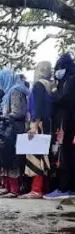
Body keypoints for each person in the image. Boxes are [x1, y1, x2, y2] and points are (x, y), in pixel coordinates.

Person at [0, 69, 29, 198]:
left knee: (11, 157)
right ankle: (7, 187)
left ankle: (14, 188)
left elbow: (18, 112)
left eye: (0, 82)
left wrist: (0, 117)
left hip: (14, 129)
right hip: (10, 127)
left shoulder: (15, 91)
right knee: (4, 155)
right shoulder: (9, 92)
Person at [46, 54, 75, 199]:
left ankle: (64, 188)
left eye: (60, 68)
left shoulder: (69, 81)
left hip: (67, 124)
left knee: (65, 156)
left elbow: (66, 99)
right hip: (68, 123)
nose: (58, 71)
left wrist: (53, 96)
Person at [24, 61, 53, 199]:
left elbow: (38, 106)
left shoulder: (38, 85)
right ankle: (45, 188)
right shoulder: (51, 85)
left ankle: (36, 189)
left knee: (36, 157)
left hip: (38, 123)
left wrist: (34, 125)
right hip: (48, 123)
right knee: (45, 155)